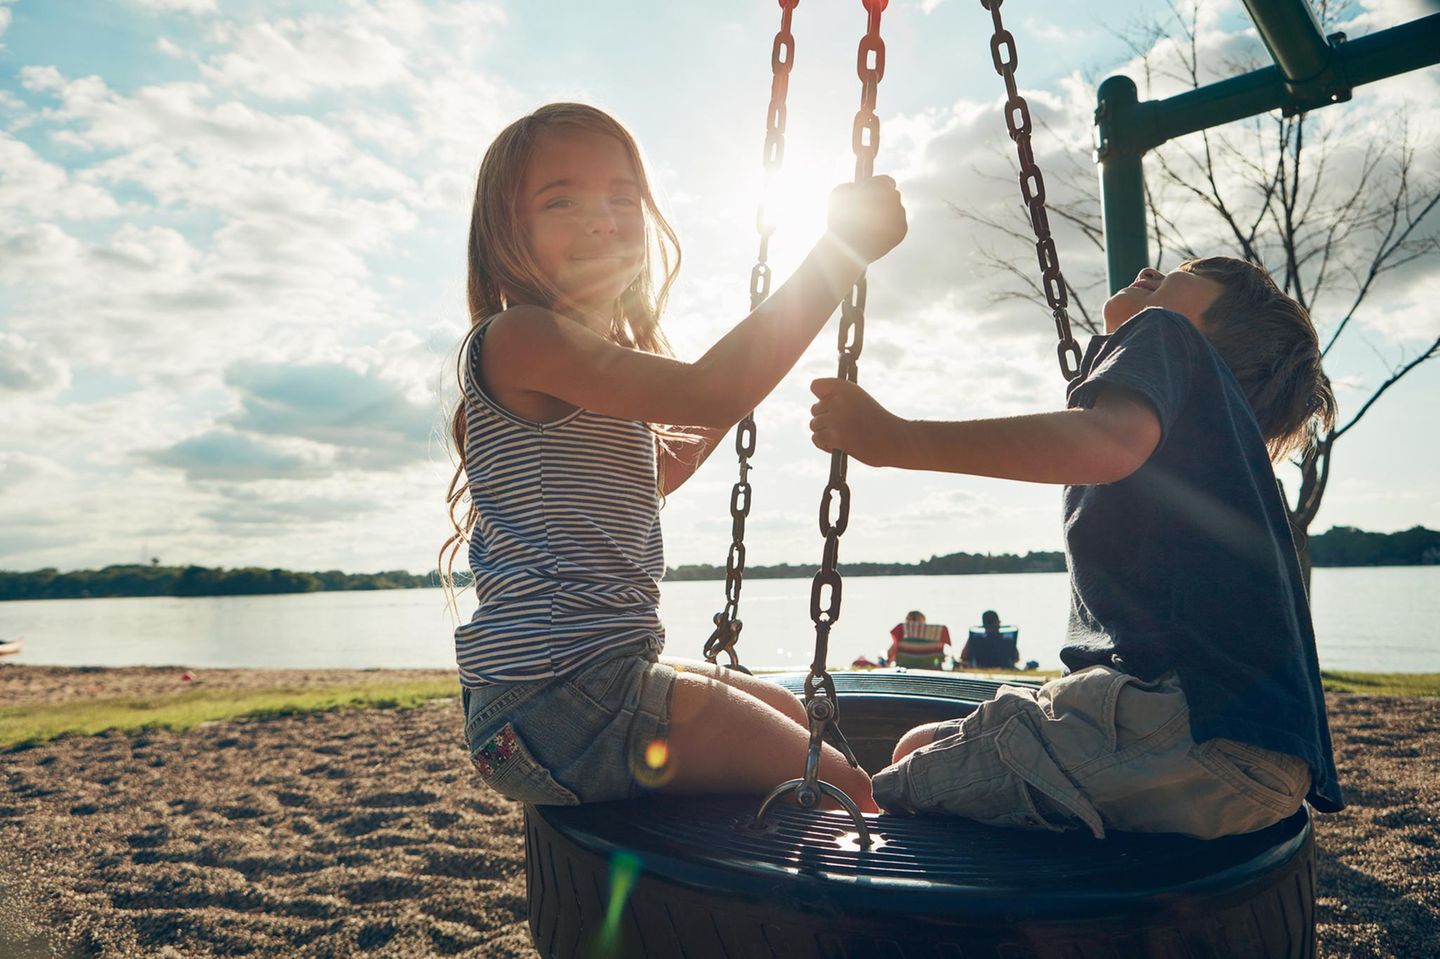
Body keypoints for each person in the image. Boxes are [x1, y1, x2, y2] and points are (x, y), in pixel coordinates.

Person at [443, 103, 907, 814]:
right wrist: (838, 255)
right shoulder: (519, 337)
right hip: (559, 699)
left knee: (799, 720)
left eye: (621, 198)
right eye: (561, 199)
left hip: (575, 689)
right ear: (508, 232)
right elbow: (709, 388)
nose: (601, 218)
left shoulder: (576, 360)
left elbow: (660, 471)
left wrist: (730, 394)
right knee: (839, 786)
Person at [808, 257, 1343, 839]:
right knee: (920, 745)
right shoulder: (1210, 443)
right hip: (1259, 761)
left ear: (1212, 328)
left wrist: (897, 439)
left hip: (1187, 725)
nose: (1150, 270)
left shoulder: (1168, 332)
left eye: (1186, 270)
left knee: (883, 803)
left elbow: (1106, 442)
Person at [887, 610, 952, 669]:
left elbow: (890, 654)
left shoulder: (901, 633)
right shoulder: (936, 633)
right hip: (932, 672)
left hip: (905, 672)